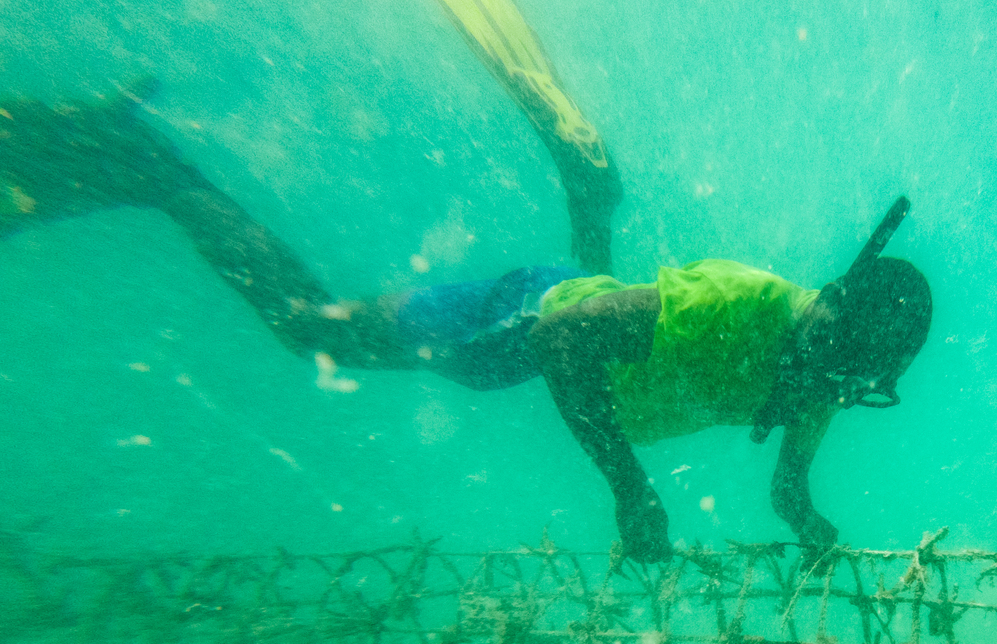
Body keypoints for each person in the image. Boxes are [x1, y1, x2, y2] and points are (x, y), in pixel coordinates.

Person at [0, 86, 933, 562]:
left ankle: (587, 189)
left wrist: (816, 534)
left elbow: (789, 493)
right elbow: (566, 340)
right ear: (828, 315)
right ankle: (158, 170)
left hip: (599, 322)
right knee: (309, 329)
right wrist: (631, 491)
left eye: (848, 386)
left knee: (593, 301)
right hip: (527, 318)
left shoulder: (830, 370)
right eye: (826, 364)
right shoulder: (748, 307)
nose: (825, 392)